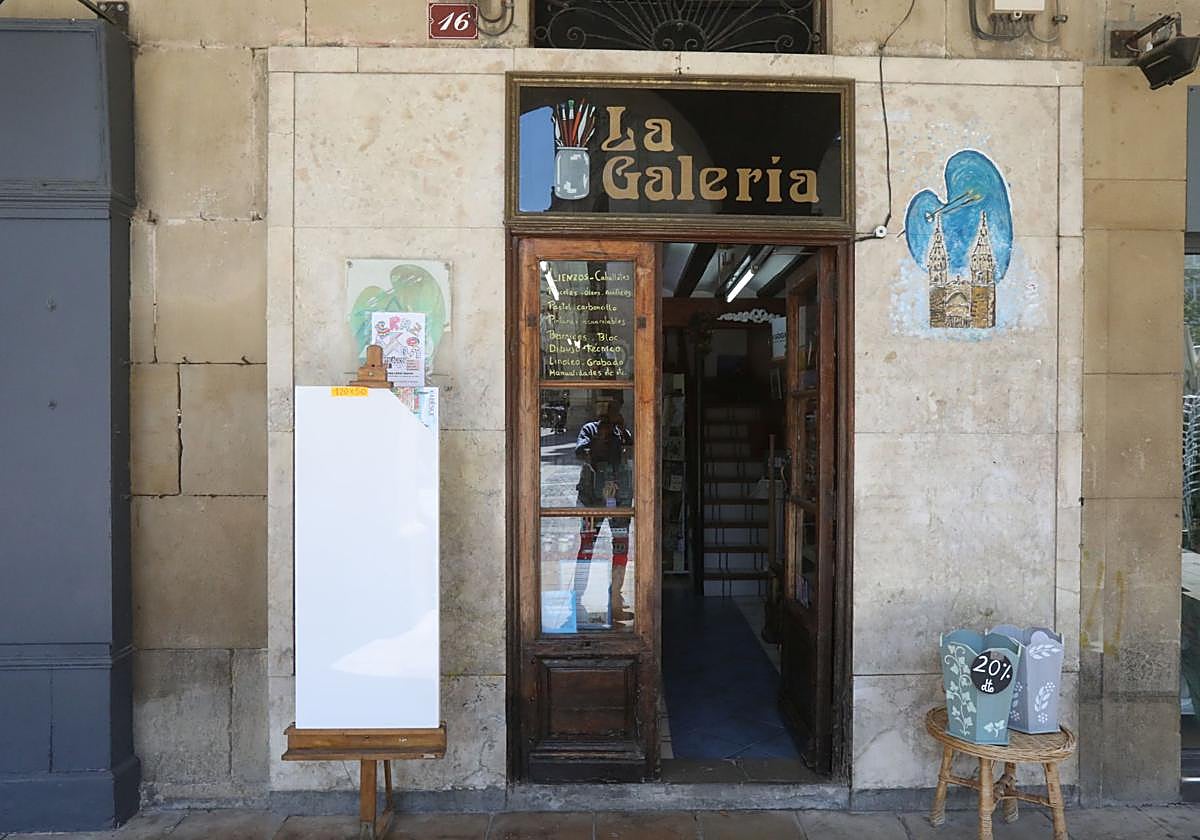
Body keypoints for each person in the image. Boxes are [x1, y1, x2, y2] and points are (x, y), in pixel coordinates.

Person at [572, 396, 633, 626]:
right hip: (592, 500)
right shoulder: (589, 429)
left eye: (613, 409)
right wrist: (602, 435)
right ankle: (578, 599)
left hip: (618, 499)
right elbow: (581, 452)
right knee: (587, 547)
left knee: (620, 546)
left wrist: (622, 428)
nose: (608, 414)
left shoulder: (622, 433)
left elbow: (632, 453)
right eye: (606, 409)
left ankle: (615, 596)